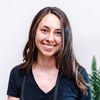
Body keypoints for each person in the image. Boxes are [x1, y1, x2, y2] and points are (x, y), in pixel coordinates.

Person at [7, 7, 91, 100]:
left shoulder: (78, 76)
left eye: (58, 33)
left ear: (65, 38)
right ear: (34, 32)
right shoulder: (17, 74)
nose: (50, 38)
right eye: (44, 30)